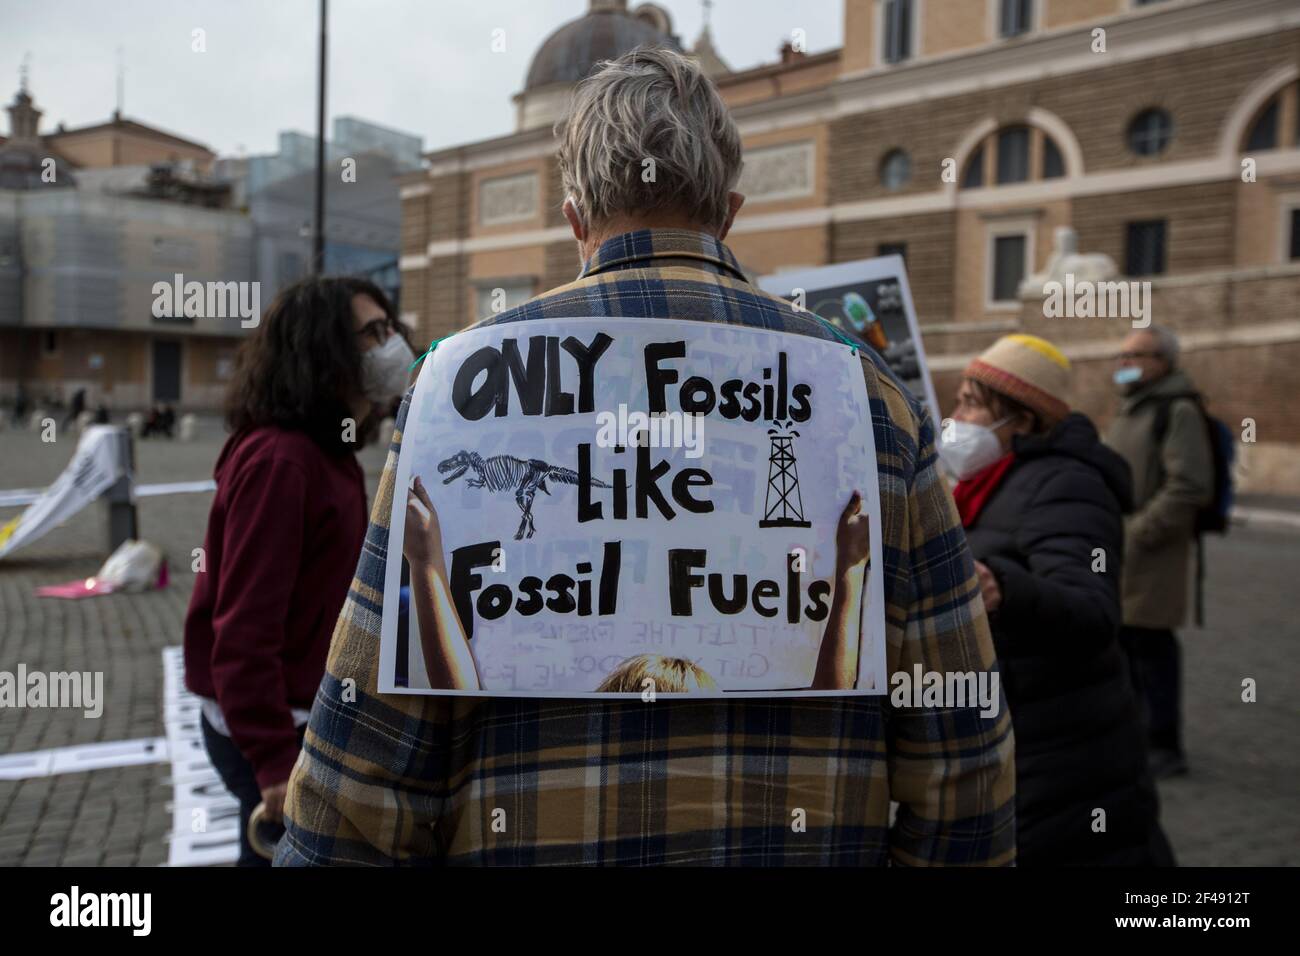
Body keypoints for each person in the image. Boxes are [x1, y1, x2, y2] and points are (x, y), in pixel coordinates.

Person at [277, 48, 1014, 867]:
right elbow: (959, 741)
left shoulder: (453, 386)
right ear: (729, 211)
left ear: (574, 218)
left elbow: (365, 752)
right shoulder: (870, 395)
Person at [183, 275, 414, 866]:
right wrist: (271, 763)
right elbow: (244, 630)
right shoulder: (283, 462)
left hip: (304, 711)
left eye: (389, 327)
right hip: (272, 730)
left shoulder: (325, 451)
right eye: (372, 333)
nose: (391, 345)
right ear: (324, 350)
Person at [942, 334, 1173, 866]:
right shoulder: (984, 483)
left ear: (1021, 419)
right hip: (1027, 742)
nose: (956, 416)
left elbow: (1093, 610)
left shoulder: (1068, 484)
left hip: (1065, 756)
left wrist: (1004, 589)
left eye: (972, 404)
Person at [1104, 326, 1213, 779]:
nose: (1126, 362)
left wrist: (1137, 532)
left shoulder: (1178, 410)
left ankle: (1165, 744)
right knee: (1127, 647)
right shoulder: (1131, 408)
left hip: (1152, 553)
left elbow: (1189, 485)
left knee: (1152, 649)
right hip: (1122, 549)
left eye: (1138, 355)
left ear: (1164, 362)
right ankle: (1135, 738)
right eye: (1123, 354)